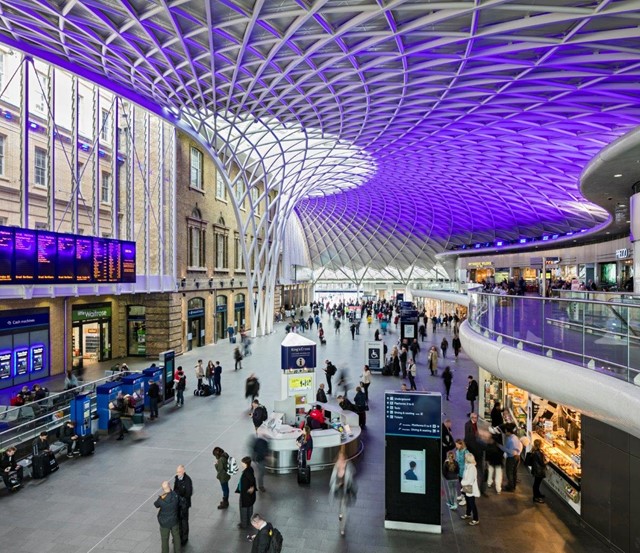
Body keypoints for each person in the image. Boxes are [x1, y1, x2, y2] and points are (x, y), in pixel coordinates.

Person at [329, 447, 357, 537]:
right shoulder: (336, 466)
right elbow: (333, 478)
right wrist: (335, 484)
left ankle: (342, 528)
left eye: (342, 458)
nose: (340, 459)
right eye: (339, 458)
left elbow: (353, 472)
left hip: (346, 489)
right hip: (338, 489)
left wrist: (348, 481)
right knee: (340, 505)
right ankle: (340, 514)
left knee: (344, 507)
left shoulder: (348, 465)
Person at [154, 481, 182, 553]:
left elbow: (156, 504)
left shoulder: (161, 500)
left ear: (163, 489)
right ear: (169, 486)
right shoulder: (175, 496)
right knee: (176, 538)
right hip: (174, 521)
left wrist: (163, 495)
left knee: (164, 540)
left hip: (164, 523)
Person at [173, 465, 193, 546]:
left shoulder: (187, 480)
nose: (177, 474)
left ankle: (184, 538)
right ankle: (179, 536)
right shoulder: (177, 478)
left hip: (184, 504)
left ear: (183, 471)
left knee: (184, 521)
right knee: (178, 520)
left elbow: (189, 493)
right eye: (177, 472)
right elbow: (175, 489)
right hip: (178, 503)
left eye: (179, 472)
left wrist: (180, 495)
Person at [500, 423, 522, 492]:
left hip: (512, 458)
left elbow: (509, 451)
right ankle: (513, 486)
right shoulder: (515, 437)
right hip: (517, 457)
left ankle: (511, 487)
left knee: (509, 472)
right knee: (514, 472)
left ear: (507, 430)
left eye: (505, 431)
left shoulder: (510, 440)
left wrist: (499, 446)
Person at [460, 452, 480, 526]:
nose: (464, 459)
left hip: (469, 487)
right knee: (468, 502)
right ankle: (468, 514)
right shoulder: (467, 466)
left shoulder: (472, 468)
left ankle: (476, 519)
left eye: (465, 458)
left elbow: (470, 480)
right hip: (466, 486)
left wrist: (462, 482)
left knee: (472, 503)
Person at [236, 457, 257, 529]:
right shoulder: (250, 469)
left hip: (245, 494)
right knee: (249, 507)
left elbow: (250, 481)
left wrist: (251, 487)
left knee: (243, 509)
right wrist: (252, 487)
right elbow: (253, 480)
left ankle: (244, 524)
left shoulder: (246, 473)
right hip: (250, 495)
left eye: (242, 463)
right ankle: (249, 521)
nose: (241, 464)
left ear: (246, 464)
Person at [530, 439, 548, 503]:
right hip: (539, 471)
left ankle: (538, 494)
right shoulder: (539, 453)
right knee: (537, 484)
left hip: (536, 470)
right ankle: (536, 497)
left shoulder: (534, 451)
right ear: (540, 445)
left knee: (536, 483)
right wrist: (547, 461)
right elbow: (542, 463)